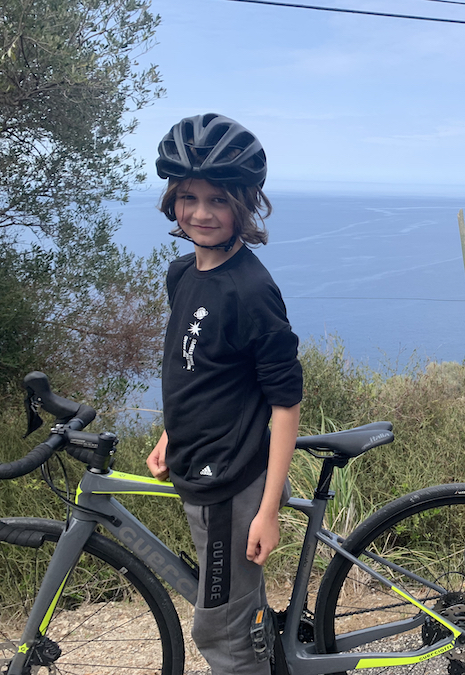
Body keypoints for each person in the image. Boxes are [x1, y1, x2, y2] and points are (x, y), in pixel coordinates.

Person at [145, 113, 303, 675]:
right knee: (237, 613)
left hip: (231, 483)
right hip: (199, 461)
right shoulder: (182, 274)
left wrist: (268, 510)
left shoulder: (252, 290)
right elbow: (197, 369)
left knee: (225, 635)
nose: (201, 213)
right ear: (173, 200)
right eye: (189, 197)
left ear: (244, 204)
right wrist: (172, 433)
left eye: (218, 199)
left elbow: (285, 404)